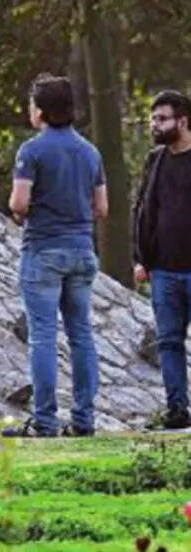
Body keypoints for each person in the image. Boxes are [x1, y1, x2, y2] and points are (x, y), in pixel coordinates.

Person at [3, 75, 106, 438]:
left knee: (43, 337)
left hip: (43, 250)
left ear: (42, 111)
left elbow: (19, 202)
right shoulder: (90, 152)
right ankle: (84, 419)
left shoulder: (32, 151)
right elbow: (101, 208)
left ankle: (45, 421)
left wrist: (27, 212)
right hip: (82, 250)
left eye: (32, 104)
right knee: (82, 335)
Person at [132, 90, 191, 430]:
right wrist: (141, 258)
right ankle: (177, 410)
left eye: (162, 119)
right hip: (163, 270)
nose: (155, 125)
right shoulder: (155, 160)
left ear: (183, 121)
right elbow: (142, 209)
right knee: (168, 342)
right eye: (153, 119)